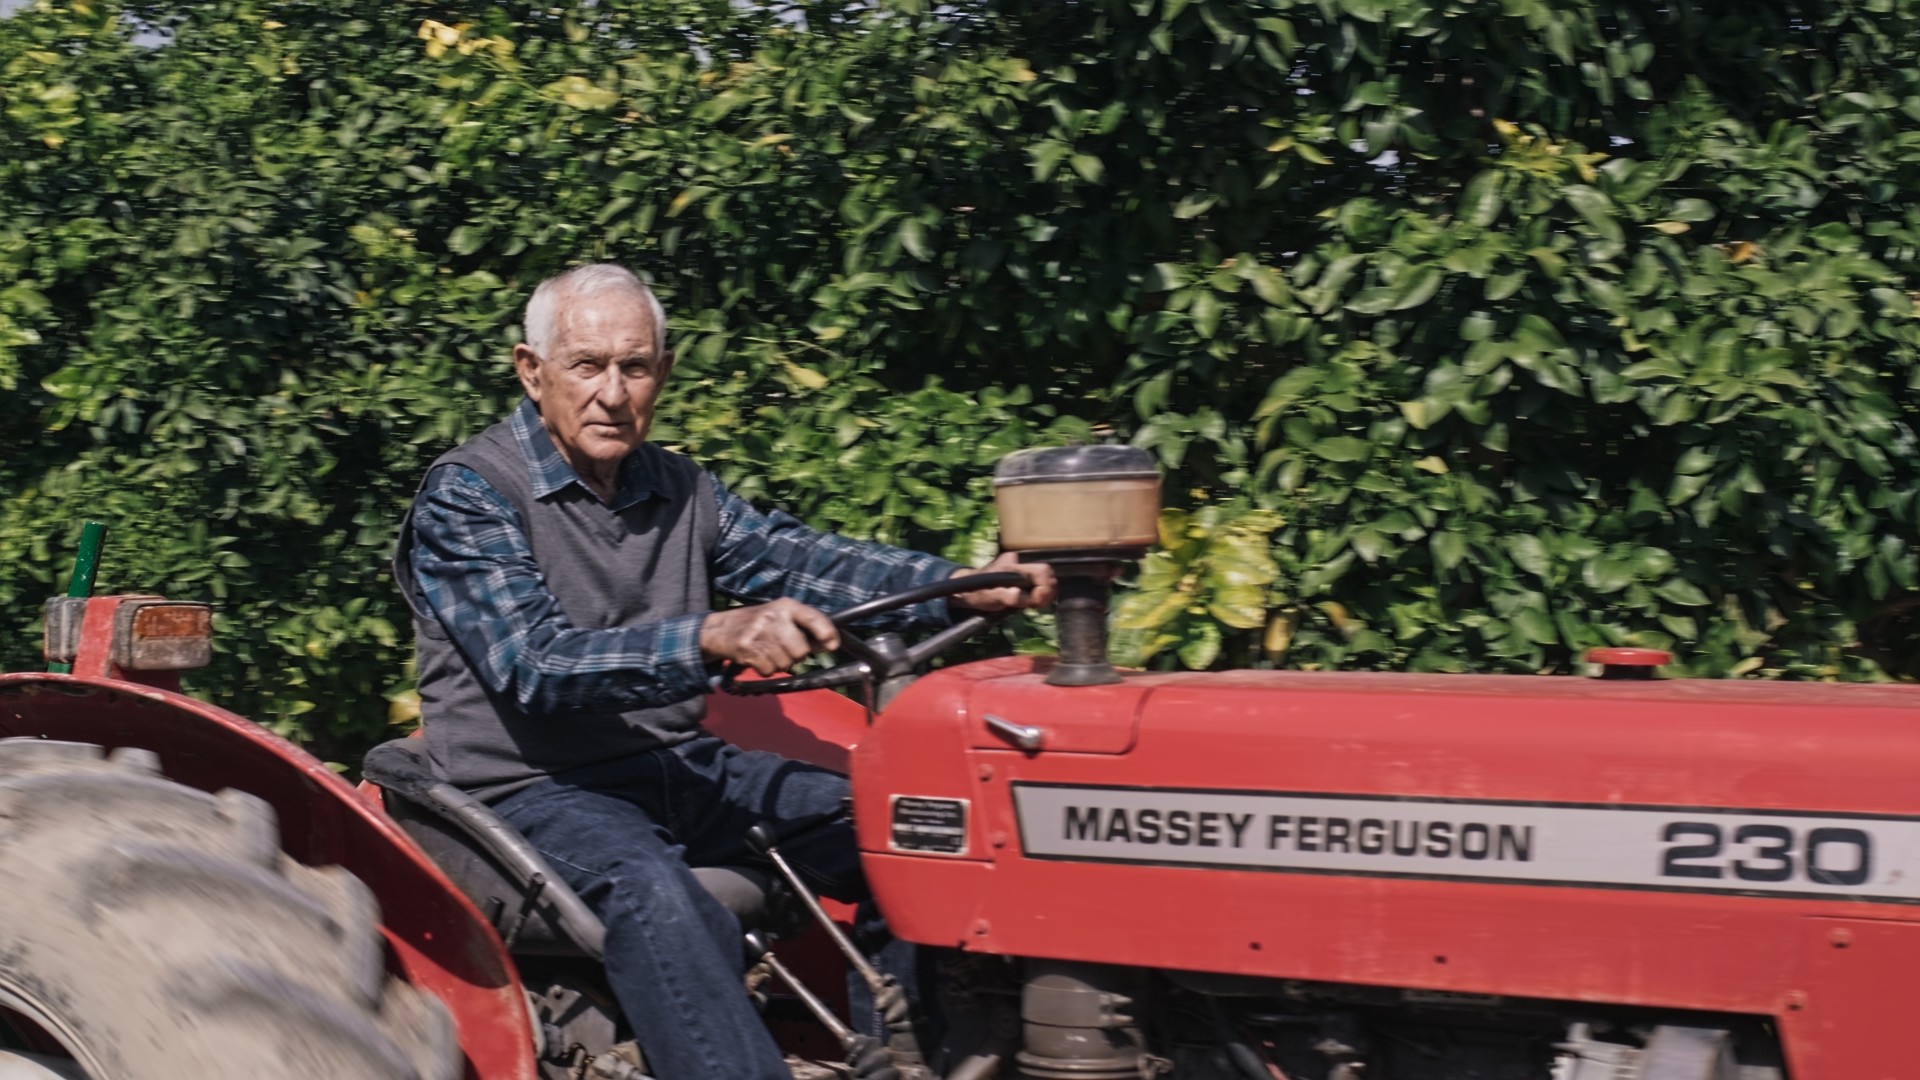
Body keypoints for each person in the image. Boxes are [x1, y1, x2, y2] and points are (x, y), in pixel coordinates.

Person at [393, 263, 1054, 1079]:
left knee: (911, 824)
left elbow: (801, 562)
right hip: (528, 788)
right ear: (532, 372)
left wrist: (964, 589)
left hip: (671, 765)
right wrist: (709, 636)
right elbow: (538, 666)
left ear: (661, 374)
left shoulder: (678, 487)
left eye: (634, 368)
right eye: (586, 365)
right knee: (650, 891)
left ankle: (913, 1058)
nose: (612, 392)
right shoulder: (469, 496)